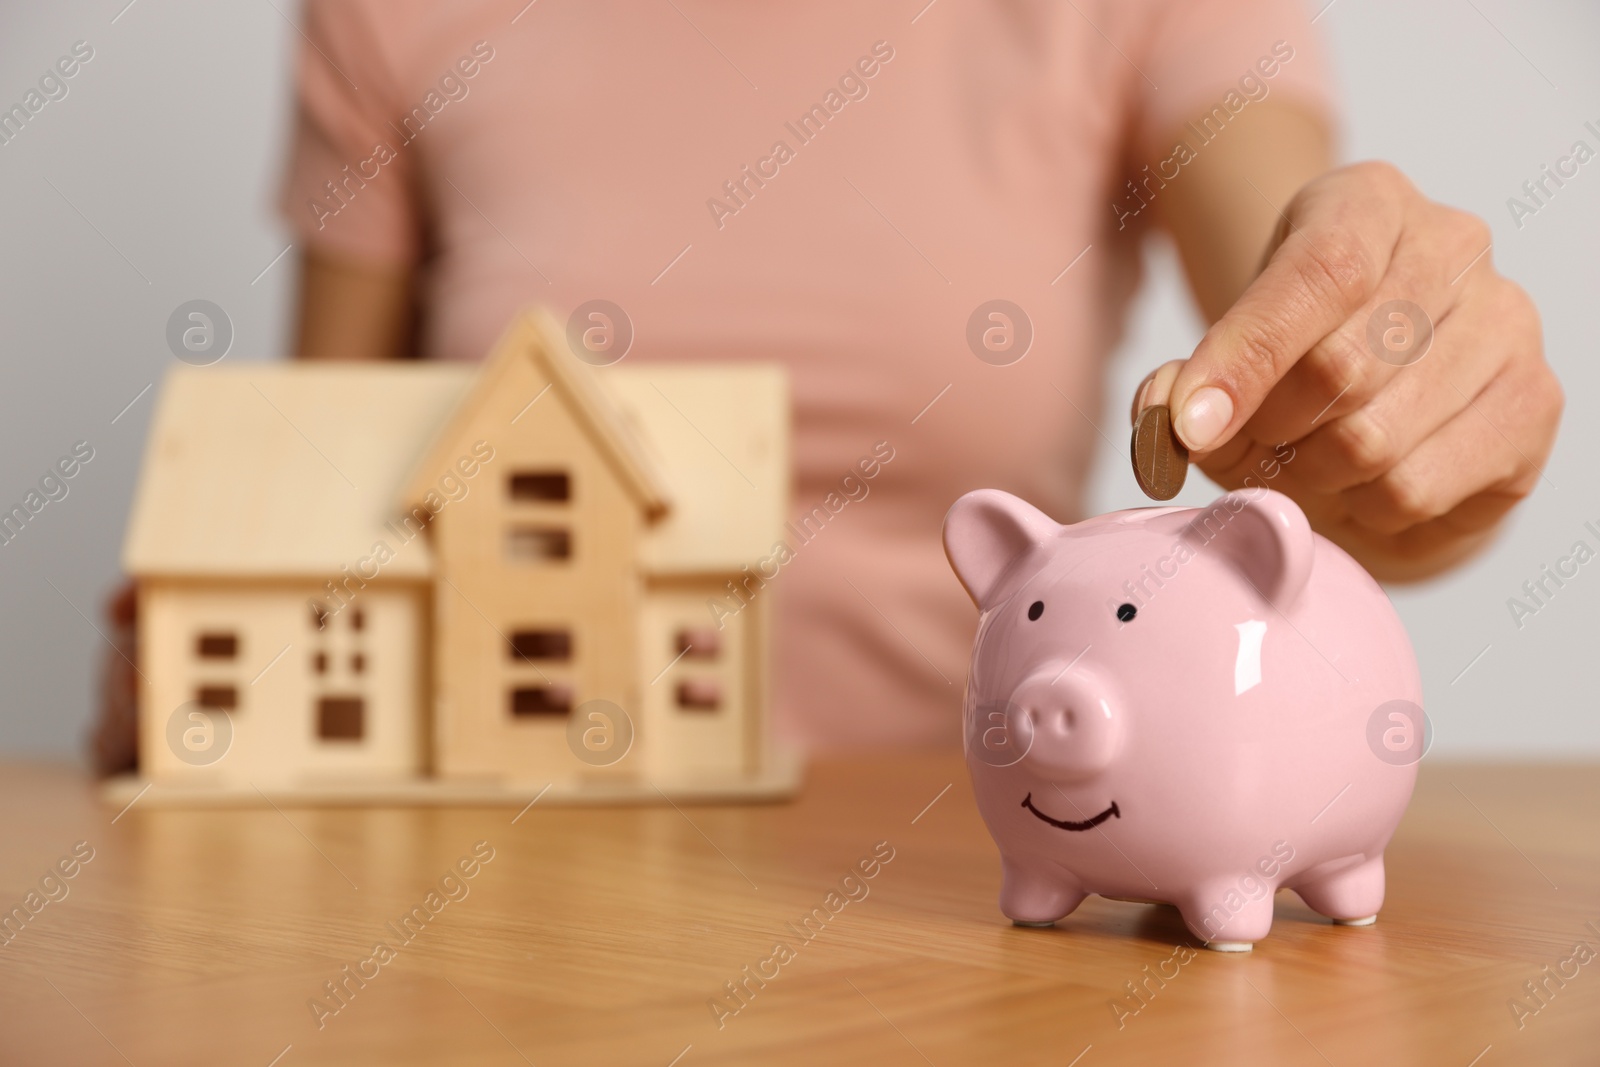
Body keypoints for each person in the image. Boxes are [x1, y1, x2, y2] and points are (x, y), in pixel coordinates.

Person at [279, 0, 1560, 753]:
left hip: (971, 867)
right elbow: (310, 494)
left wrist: (1398, 348)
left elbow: (1310, 372)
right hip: (510, 859)